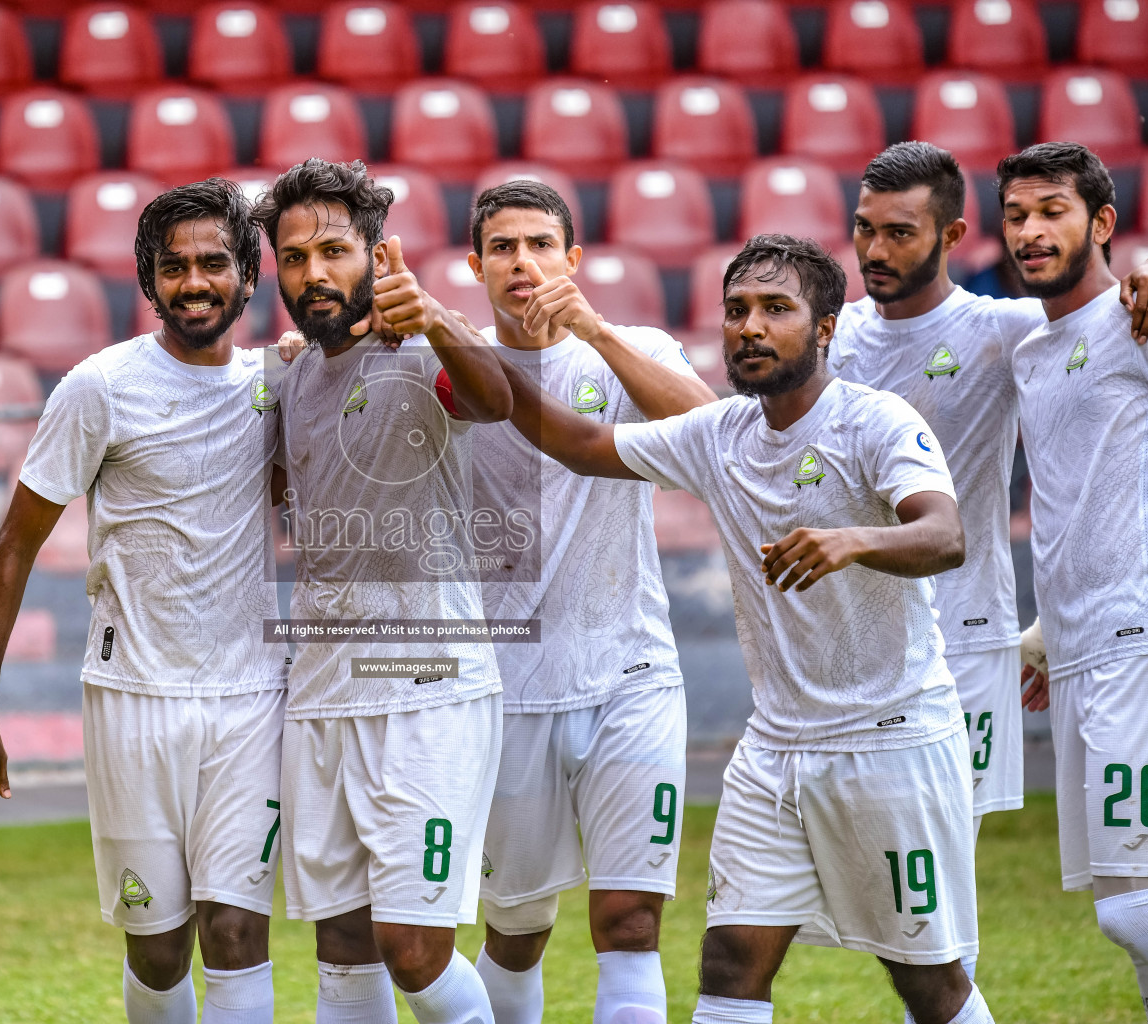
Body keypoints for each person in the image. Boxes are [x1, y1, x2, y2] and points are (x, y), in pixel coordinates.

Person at [499, 233, 995, 1024]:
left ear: (825, 328)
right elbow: (581, 443)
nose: (750, 327)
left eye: (775, 309)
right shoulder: (719, 433)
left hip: (890, 740)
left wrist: (853, 539)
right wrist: (452, 342)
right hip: (774, 752)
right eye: (736, 311)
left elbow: (944, 535)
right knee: (730, 962)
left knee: (926, 983)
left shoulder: (874, 420)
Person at [0, 179, 288, 1024]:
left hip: (251, 701)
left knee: (238, 931)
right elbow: (13, 547)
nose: (195, 283)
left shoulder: (278, 387)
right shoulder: (98, 389)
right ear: (148, 280)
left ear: (249, 275)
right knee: (158, 945)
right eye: (174, 268)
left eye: (215, 263)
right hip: (132, 699)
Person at [251, 158, 513, 1024]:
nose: (314, 273)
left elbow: (494, 397)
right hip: (323, 693)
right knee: (344, 951)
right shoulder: (288, 379)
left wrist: (437, 316)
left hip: (425, 692)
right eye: (294, 258)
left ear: (374, 251)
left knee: (415, 949)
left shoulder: (418, 349)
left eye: (333, 249)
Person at [457, 179, 715, 1024]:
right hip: (507, 688)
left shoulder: (630, 347)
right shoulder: (448, 366)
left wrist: (595, 331)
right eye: (502, 247)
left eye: (539, 245)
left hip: (628, 673)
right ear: (475, 265)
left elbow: (715, 434)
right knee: (516, 930)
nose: (521, 263)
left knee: (630, 918)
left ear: (573, 260)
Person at [999, 141, 1148, 1024]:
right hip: (1078, 648)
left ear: (1102, 222)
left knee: (1138, 903)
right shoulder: (1030, 350)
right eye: (1017, 215)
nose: (1031, 232)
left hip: (1141, 638)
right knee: (1138, 898)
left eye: (1052, 212)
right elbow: (1080, 491)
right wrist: (1044, 629)